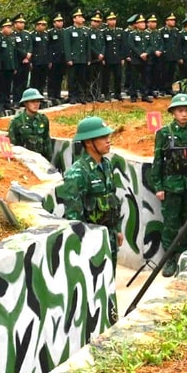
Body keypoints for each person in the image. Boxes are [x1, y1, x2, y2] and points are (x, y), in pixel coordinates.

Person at [150, 93, 187, 277]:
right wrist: (158, 186)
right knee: (171, 223)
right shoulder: (164, 133)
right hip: (171, 186)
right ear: (173, 112)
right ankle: (171, 258)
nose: (184, 114)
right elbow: (158, 161)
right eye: (180, 110)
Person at [56, 116, 122, 275]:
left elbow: (112, 198)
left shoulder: (106, 165)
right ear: (88, 142)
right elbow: (74, 217)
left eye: (108, 136)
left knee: (110, 281)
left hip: (110, 235)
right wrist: (84, 245)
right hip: (91, 241)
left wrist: (117, 230)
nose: (108, 141)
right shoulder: (77, 173)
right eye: (103, 137)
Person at [8, 87, 53, 161]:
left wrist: (48, 159)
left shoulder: (43, 119)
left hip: (41, 159)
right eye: (33, 101)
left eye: (38, 101)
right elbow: (11, 143)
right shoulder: (17, 121)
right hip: (23, 160)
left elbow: (47, 140)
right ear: (25, 103)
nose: (36, 104)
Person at [63, 6, 90, 104]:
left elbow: (88, 45)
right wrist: (68, 58)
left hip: (83, 58)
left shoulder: (85, 30)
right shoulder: (68, 30)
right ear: (74, 19)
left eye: (81, 16)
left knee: (82, 78)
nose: (81, 18)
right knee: (72, 78)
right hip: (73, 58)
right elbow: (67, 46)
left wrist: (88, 58)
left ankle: (81, 96)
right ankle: (72, 96)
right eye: (78, 16)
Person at [12, 13, 32, 107]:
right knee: (17, 82)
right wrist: (24, 55)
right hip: (18, 61)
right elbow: (15, 48)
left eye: (23, 22)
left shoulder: (27, 34)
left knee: (24, 81)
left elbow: (30, 46)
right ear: (15, 24)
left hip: (27, 61)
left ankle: (24, 100)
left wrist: (29, 55)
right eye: (20, 22)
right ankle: (16, 100)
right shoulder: (12, 35)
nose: (22, 24)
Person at [47, 13, 66, 105]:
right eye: (58, 21)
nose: (60, 23)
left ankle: (57, 94)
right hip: (54, 58)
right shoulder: (50, 32)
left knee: (60, 76)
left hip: (62, 58)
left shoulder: (64, 32)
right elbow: (49, 47)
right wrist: (49, 59)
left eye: (61, 21)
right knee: (52, 77)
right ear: (54, 23)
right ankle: (51, 94)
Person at [29, 16, 49, 96]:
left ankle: (40, 95)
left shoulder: (46, 35)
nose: (43, 26)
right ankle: (34, 96)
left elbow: (48, 48)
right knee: (35, 80)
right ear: (37, 25)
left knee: (42, 80)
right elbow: (30, 49)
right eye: (42, 25)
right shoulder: (32, 35)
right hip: (36, 61)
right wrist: (30, 61)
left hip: (44, 60)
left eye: (44, 25)